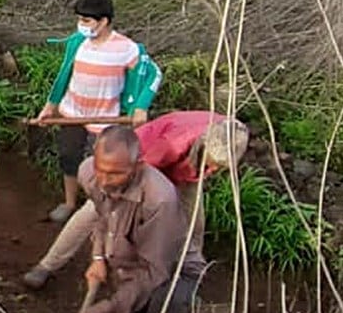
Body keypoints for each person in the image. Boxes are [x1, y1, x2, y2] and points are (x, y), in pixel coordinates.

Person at [22, 112, 249, 289]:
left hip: (185, 173)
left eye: (219, 167)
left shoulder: (234, 134)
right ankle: (47, 265)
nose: (215, 169)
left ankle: (187, 275)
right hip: (136, 162)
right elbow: (140, 180)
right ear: (202, 145)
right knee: (94, 212)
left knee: (193, 222)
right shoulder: (168, 147)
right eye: (212, 163)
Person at [70, 126, 204, 313]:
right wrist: (97, 258)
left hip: (174, 269)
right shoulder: (89, 174)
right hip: (129, 258)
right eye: (101, 170)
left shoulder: (160, 200)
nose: (105, 181)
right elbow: (103, 216)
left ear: (138, 165)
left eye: (116, 173)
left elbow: (154, 271)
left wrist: (102, 310)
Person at [35, 0, 161, 223]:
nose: (81, 25)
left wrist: (141, 106)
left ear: (103, 21)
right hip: (71, 113)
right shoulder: (77, 42)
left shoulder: (127, 48)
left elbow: (154, 74)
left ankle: (99, 210)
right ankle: (70, 202)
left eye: (86, 21)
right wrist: (50, 106)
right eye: (79, 20)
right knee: (68, 157)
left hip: (104, 118)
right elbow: (64, 75)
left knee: (102, 167)